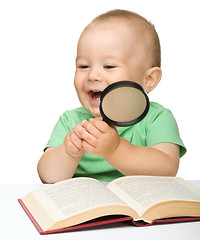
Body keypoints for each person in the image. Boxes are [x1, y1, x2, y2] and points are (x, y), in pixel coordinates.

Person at [37, 9, 186, 184]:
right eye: (83, 66)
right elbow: (47, 177)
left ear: (149, 79)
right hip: (86, 206)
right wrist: (69, 152)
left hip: (141, 207)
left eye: (109, 66)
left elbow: (167, 169)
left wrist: (115, 149)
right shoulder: (71, 121)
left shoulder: (157, 118)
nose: (93, 75)